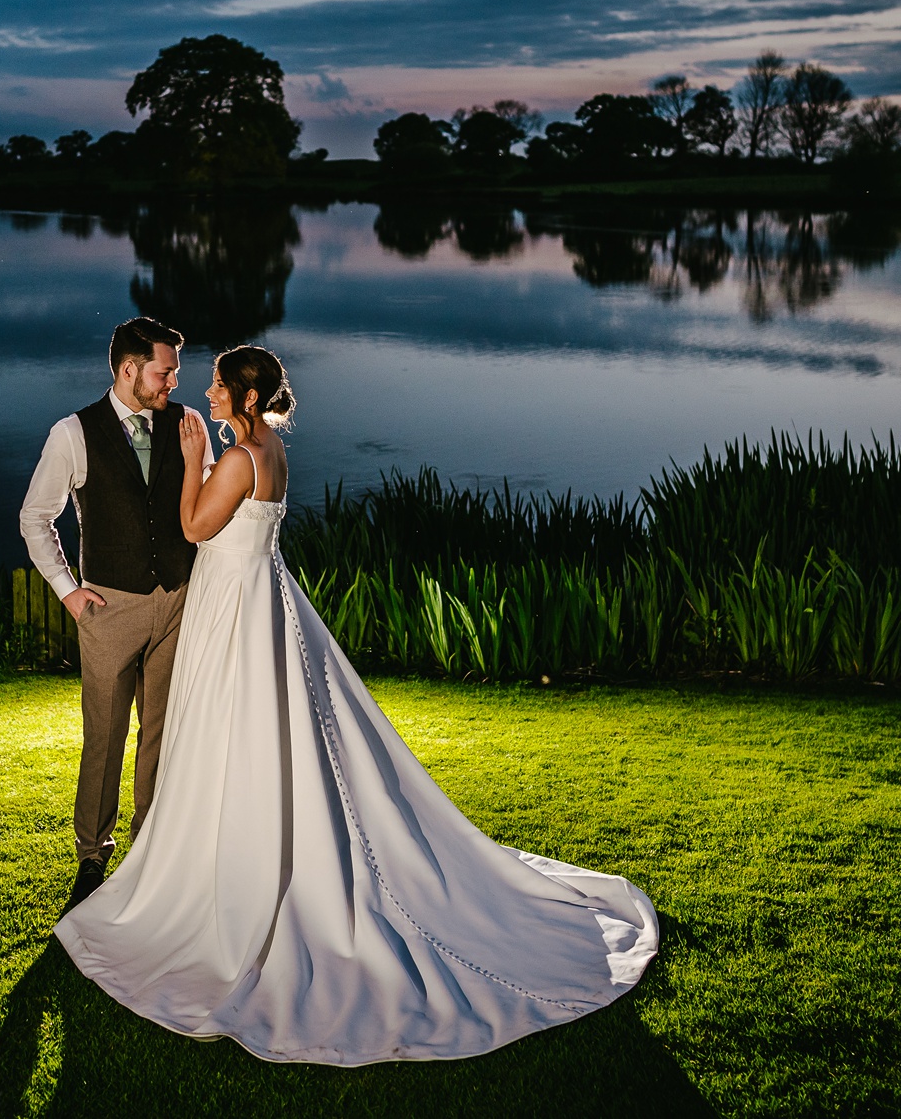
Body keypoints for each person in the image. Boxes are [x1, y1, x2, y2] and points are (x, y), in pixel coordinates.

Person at [52, 344, 660, 1066]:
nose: (206, 393)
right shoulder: (267, 449)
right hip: (256, 600)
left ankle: (226, 871)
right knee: (265, 731)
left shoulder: (239, 457)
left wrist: (191, 459)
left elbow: (193, 529)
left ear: (247, 399)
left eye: (218, 385)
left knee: (234, 731)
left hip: (235, 612)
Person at [20, 316, 215, 912]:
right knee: (104, 737)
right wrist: (68, 591)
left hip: (176, 604)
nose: (174, 381)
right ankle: (91, 858)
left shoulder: (185, 424)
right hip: (109, 608)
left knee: (162, 734)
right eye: (165, 370)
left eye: (174, 371)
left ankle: (152, 851)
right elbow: (35, 517)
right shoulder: (73, 433)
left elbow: (204, 500)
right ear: (129, 370)